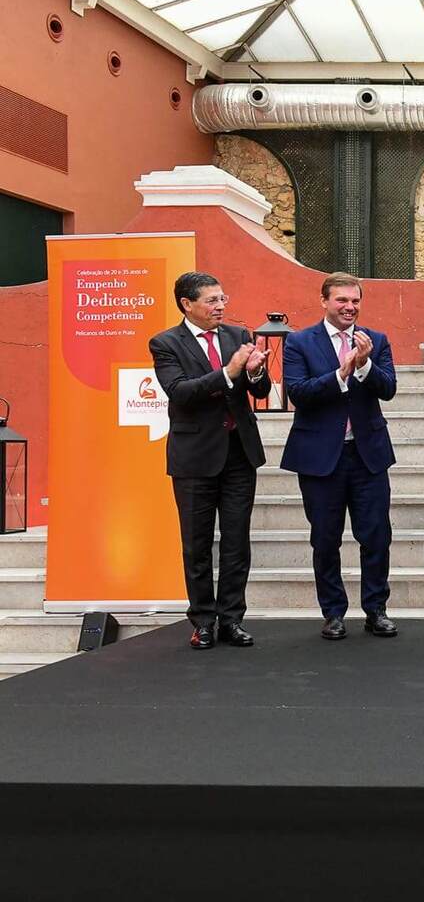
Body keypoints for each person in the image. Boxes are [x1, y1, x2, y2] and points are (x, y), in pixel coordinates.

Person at [149, 272, 271, 649]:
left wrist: (255, 372)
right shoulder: (166, 343)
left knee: (237, 542)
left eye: (223, 299)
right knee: (196, 544)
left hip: (238, 453)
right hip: (195, 457)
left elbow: (260, 390)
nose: (220, 307)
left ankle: (232, 619)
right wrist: (229, 372)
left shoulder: (237, 336)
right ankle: (203, 620)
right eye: (212, 300)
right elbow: (181, 392)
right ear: (187, 304)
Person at [281, 273, 400, 641]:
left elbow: (389, 389)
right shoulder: (299, 342)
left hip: (367, 456)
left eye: (355, 301)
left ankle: (376, 610)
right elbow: (298, 393)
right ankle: (333, 613)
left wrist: (364, 366)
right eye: (342, 300)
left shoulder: (375, 340)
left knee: (376, 536)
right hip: (320, 458)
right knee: (325, 539)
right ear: (324, 301)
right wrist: (340, 373)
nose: (350, 307)